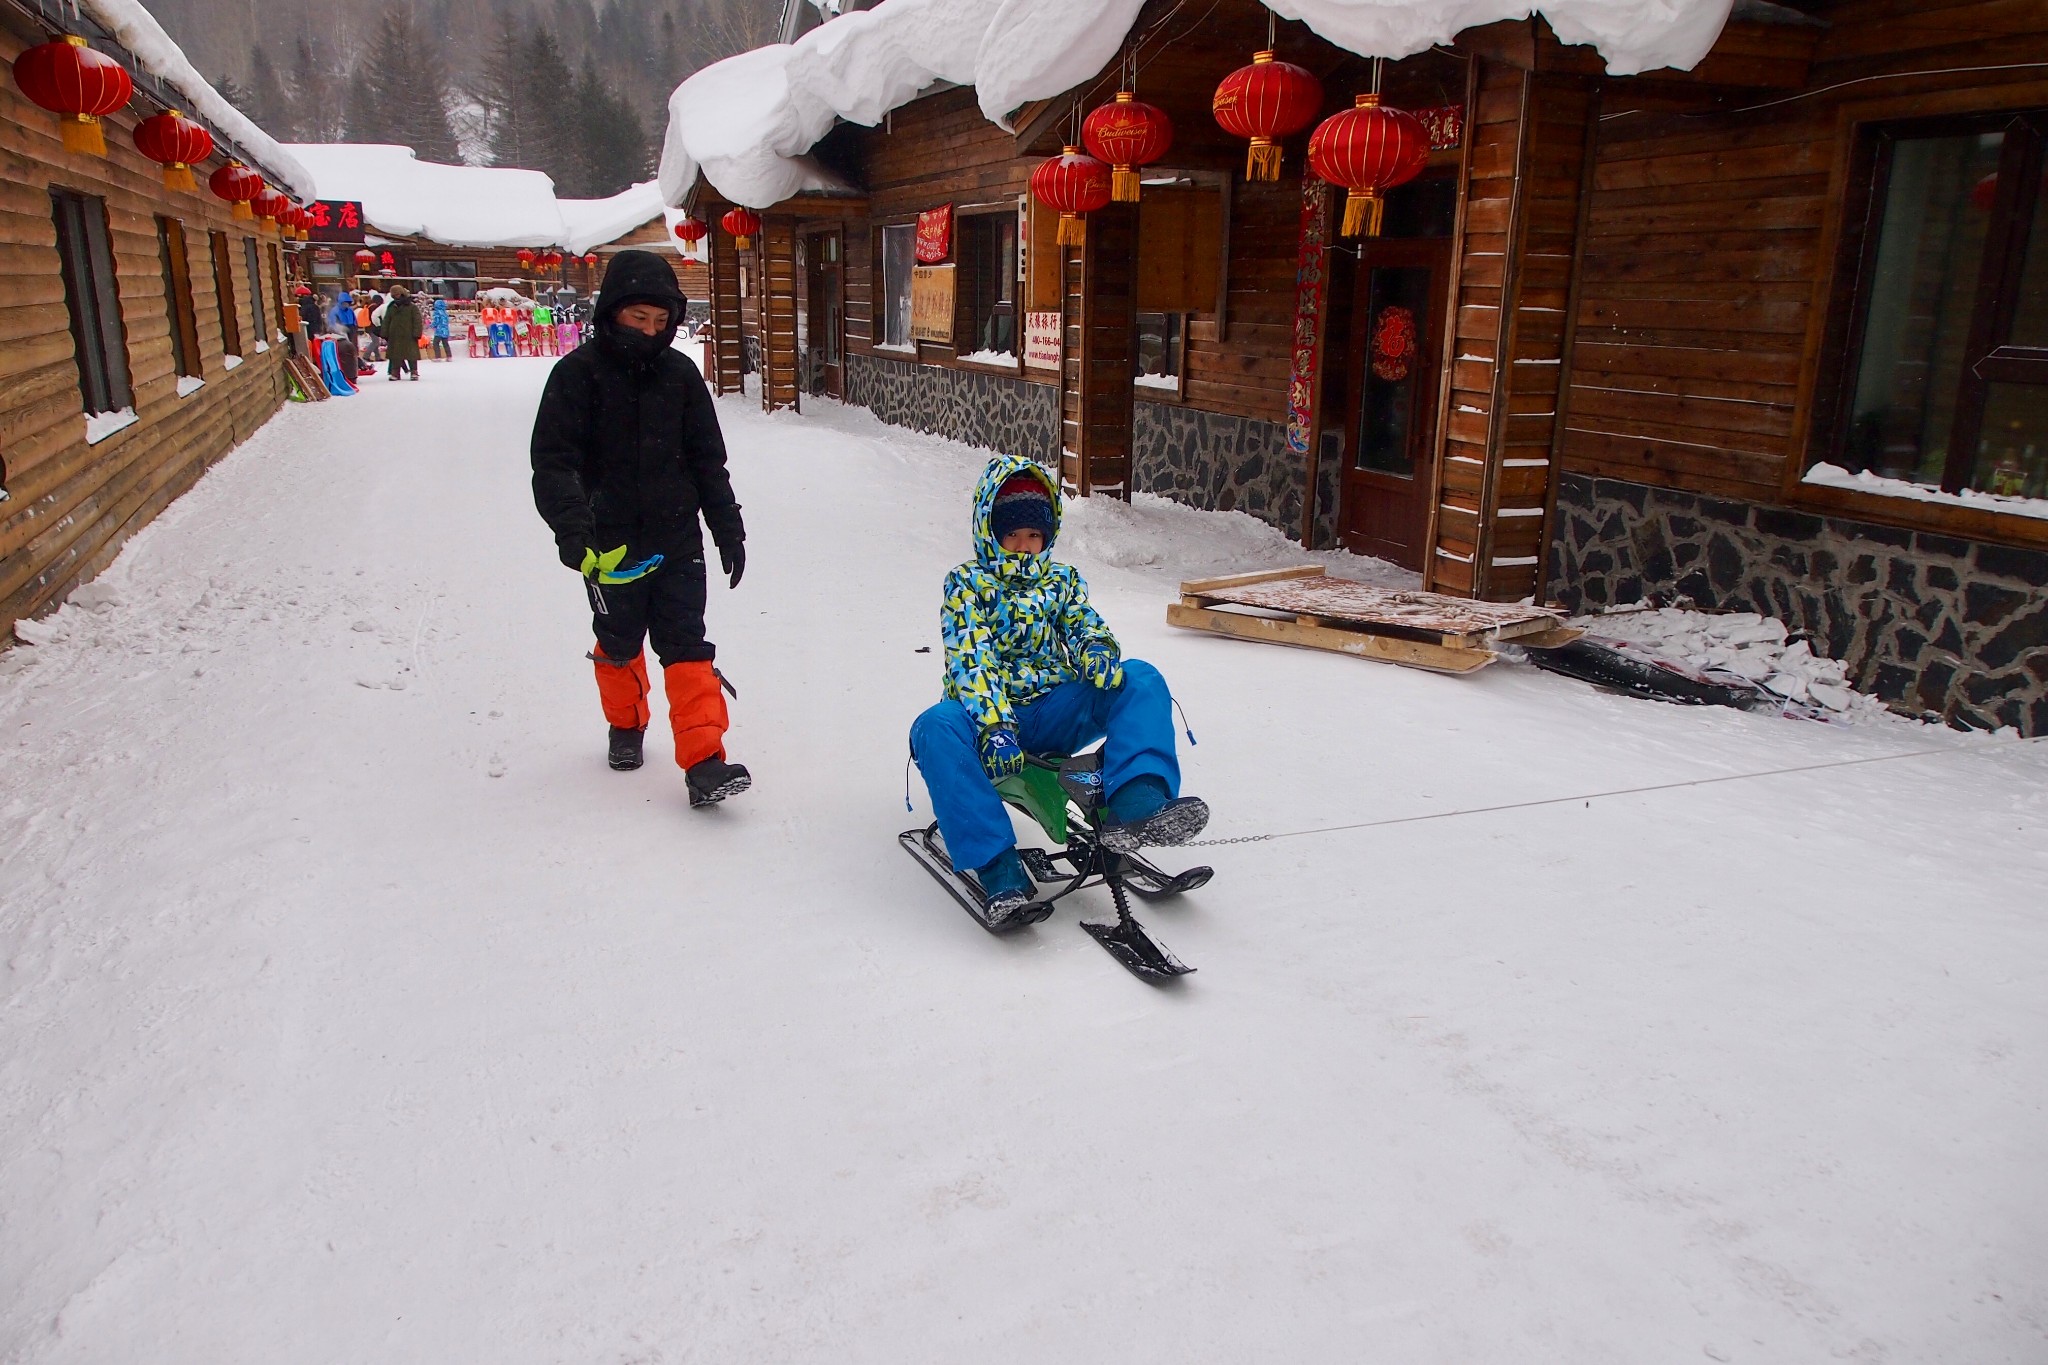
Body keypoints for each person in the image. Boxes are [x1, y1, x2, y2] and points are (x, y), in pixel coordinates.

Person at [908, 454, 1208, 923]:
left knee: (1141, 676)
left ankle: (1136, 800)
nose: (1024, 546)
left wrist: (1096, 651)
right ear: (990, 532)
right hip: (988, 724)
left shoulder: (1062, 581)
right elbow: (972, 658)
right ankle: (997, 864)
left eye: (1034, 535)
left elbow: (1084, 624)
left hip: (1054, 710)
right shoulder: (966, 584)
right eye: (1012, 535)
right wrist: (994, 725)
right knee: (932, 727)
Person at [530, 249, 751, 808]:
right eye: (639, 319)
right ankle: (626, 724)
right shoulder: (575, 376)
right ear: (611, 313)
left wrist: (728, 528)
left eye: (662, 321)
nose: (652, 332)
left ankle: (705, 761)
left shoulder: (680, 376)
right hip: (608, 547)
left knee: (686, 645)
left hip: (678, 539)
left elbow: (707, 461)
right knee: (620, 641)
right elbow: (554, 463)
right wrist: (573, 531)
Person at [381, 285, 422, 381]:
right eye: (394, 295)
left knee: (411, 355)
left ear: (402, 294)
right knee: (395, 355)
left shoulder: (411, 307)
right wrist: (384, 332)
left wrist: (417, 333)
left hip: (409, 334)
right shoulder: (391, 307)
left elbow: (417, 320)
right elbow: (387, 320)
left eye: (398, 294)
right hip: (394, 335)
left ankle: (414, 372)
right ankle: (395, 373)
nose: (396, 297)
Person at [328, 288, 359, 352]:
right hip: (340, 328)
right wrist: (335, 328)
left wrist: (355, 325)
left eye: (347, 302)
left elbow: (354, 318)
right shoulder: (335, 310)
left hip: (351, 327)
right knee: (344, 344)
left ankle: (354, 354)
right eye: (345, 302)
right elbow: (332, 321)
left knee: (353, 343)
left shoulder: (349, 310)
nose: (346, 304)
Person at [429, 296, 452, 362]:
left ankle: (438, 357)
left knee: (435, 343)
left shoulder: (437, 313)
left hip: (439, 330)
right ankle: (449, 356)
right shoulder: (445, 313)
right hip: (445, 331)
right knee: (445, 343)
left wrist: (431, 326)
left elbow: (436, 321)